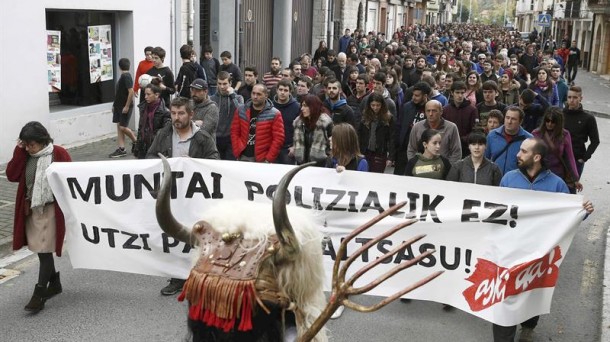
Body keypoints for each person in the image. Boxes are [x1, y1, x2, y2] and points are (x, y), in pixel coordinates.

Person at [493, 137, 594, 342]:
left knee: (531, 293)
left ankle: (529, 326)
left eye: (523, 151)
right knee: (506, 298)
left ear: (536, 157)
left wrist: (583, 212)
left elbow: (566, 216)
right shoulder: (508, 179)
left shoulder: (556, 185)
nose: (517, 155)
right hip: (510, 251)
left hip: (539, 253)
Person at [147, 97, 219, 296]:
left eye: (181, 113)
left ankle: (201, 276)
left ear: (191, 114)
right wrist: (166, 163)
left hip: (195, 198)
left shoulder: (203, 138)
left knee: (196, 235)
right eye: (173, 113)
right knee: (175, 236)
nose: (176, 118)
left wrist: (194, 163)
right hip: (172, 196)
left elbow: (215, 161)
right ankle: (178, 278)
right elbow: (150, 156)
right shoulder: (163, 134)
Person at [6, 122, 72, 312]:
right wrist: (19, 151)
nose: (29, 148)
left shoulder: (58, 153)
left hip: (51, 210)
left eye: (32, 144)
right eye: (25, 144)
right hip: (32, 209)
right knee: (39, 248)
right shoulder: (25, 155)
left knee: (44, 251)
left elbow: (70, 180)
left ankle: (39, 294)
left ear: (43, 141)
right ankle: (55, 283)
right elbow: (11, 175)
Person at [231, 84, 285, 162]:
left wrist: (268, 159)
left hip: (262, 159)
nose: (255, 97)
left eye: (259, 94)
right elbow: (234, 132)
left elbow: (278, 139)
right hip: (242, 156)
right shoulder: (241, 110)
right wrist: (237, 152)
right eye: (253, 93)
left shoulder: (275, 114)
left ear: (266, 95)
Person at [532, 107, 581, 193]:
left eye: (553, 121)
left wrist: (575, 178)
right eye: (547, 120)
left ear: (558, 122)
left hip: (557, 174)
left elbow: (570, 157)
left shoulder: (565, 135)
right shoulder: (536, 134)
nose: (549, 124)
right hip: (539, 174)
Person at [407, 100, 462, 164]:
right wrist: (415, 165)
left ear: (441, 112)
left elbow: (456, 152)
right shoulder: (417, 127)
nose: (430, 114)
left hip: (444, 169)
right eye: (428, 111)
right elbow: (411, 149)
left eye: (434, 111)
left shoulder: (451, 127)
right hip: (421, 168)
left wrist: (448, 169)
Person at [563, 86, 600, 176]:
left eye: (575, 97)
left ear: (581, 98)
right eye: (569, 97)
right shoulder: (560, 114)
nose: (571, 100)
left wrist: (584, 158)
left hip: (577, 159)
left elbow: (595, 141)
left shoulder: (588, 118)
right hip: (559, 158)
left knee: (571, 187)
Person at [485, 106, 533, 175]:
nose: (509, 121)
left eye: (513, 119)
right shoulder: (492, 135)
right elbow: (485, 158)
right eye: (507, 118)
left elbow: (531, 165)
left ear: (520, 121)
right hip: (494, 180)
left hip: (516, 181)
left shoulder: (528, 139)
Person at [210, 71, 244, 160]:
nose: (222, 87)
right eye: (219, 84)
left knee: (229, 166)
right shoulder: (211, 99)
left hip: (230, 138)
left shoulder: (238, 98)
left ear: (230, 83)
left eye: (225, 84)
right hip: (215, 138)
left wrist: (232, 95)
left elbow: (242, 112)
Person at [358, 93, 396, 173]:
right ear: (369, 105)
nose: (375, 108)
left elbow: (392, 138)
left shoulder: (388, 118)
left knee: (376, 177)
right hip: (365, 151)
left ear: (382, 105)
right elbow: (359, 135)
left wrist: (391, 157)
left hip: (380, 153)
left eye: (378, 105)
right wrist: (357, 151)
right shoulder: (364, 116)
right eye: (373, 105)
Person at [292, 94, 333, 166]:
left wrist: (327, 156)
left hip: (321, 164)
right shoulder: (298, 123)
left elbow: (333, 142)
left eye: (305, 106)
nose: (302, 108)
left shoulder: (325, 123)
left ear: (313, 106)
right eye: (302, 105)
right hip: (301, 163)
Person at [109, 58, 137, 158]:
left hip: (124, 106)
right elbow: (120, 93)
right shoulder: (123, 76)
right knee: (119, 127)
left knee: (123, 127)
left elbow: (131, 91)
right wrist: (114, 105)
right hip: (118, 105)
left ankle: (136, 141)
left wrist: (127, 106)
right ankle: (121, 149)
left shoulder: (126, 76)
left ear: (119, 67)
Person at [134, 84, 171, 159]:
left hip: (156, 147)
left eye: (148, 94)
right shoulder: (143, 107)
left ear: (156, 95)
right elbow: (140, 128)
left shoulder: (165, 112)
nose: (145, 97)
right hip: (143, 146)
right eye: (145, 94)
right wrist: (137, 145)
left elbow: (166, 133)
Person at [443, 81, 479, 157]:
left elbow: (475, 130)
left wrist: (462, 139)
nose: (460, 95)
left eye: (462, 93)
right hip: (448, 148)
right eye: (457, 92)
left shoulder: (472, 110)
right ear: (452, 93)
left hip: (466, 149)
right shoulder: (446, 110)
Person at [272, 79, 301, 165]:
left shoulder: (297, 107)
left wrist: (295, 146)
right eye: (280, 90)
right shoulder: (270, 106)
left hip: (288, 149)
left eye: (285, 90)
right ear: (277, 90)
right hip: (272, 147)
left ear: (290, 92)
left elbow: (300, 129)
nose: (282, 92)